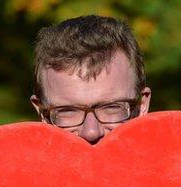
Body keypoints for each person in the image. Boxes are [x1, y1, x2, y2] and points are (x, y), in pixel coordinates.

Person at [30, 15, 151, 144]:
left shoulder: (173, 162)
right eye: (68, 111)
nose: (91, 132)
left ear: (142, 105)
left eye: (112, 107)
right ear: (42, 113)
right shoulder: (12, 163)